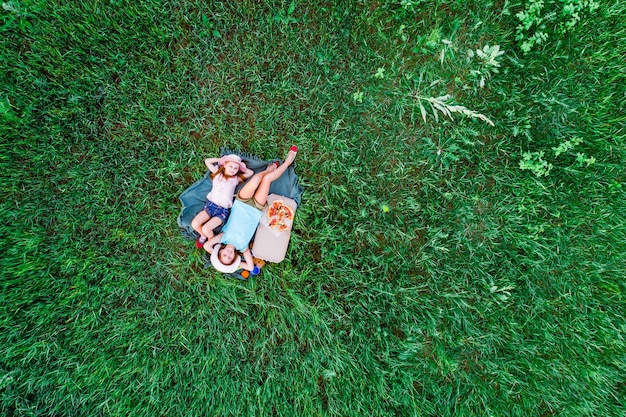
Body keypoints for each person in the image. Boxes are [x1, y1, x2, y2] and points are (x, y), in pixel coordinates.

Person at [203, 146, 298, 273]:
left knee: (256, 179)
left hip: (242, 202)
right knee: (267, 180)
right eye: (230, 258)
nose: (228, 254)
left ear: (220, 251)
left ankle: (269, 169)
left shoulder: (223, 237)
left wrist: (214, 252)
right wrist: (237, 264)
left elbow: (207, 245)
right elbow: (249, 266)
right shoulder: (243, 248)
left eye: (224, 255)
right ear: (234, 258)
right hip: (256, 208)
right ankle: (287, 162)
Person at [191, 154, 254, 249]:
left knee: (206, 228)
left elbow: (251, 172)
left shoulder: (235, 179)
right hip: (210, 206)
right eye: (231, 166)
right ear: (224, 165)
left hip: (222, 211)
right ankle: (205, 236)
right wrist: (221, 159)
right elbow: (207, 161)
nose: (232, 169)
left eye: (235, 168)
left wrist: (241, 167)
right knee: (195, 224)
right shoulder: (217, 173)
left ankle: (210, 242)